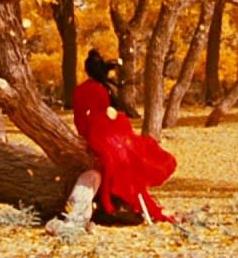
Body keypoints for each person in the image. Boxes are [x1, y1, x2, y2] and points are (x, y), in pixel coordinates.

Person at [72, 49, 177, 223]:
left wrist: (84, 134)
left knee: (120, 162)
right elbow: (107, 116)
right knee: (128, 161)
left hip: (93, 134)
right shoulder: (101, 89)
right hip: (104, 134)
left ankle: (116, 202)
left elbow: (80, 118)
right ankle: (130, 201)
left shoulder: (80, 90)